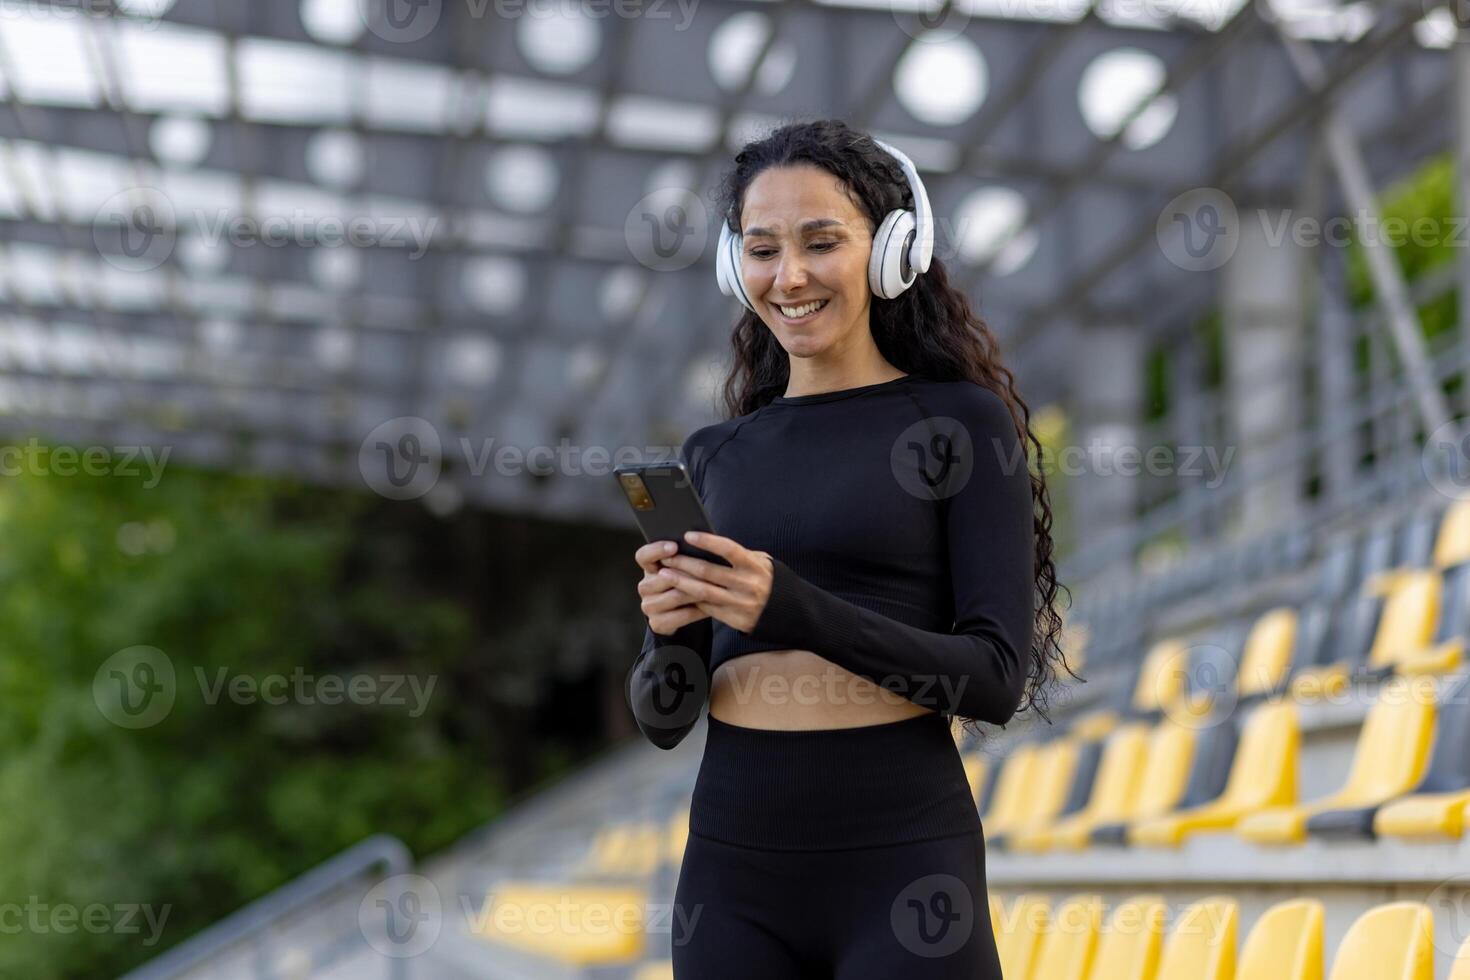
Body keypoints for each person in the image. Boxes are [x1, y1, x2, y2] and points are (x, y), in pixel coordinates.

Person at [627, 118, 1071, 979]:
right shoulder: (713, 455)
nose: (789, 276)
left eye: (821, 242)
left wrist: (786, 607)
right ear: (735, 265)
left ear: (892, 248)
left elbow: (992, 680)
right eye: (762, 249)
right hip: (731, 872)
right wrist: (671, 630)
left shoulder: (959, 426)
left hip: (903, 867)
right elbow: (663, 720)